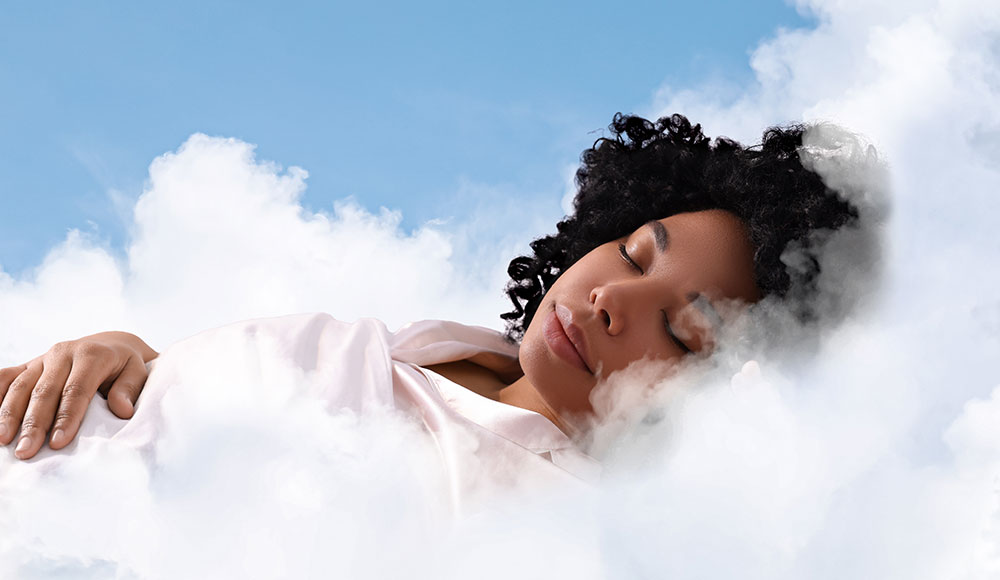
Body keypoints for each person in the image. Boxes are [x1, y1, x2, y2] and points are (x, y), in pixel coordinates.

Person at [0, 113, 872, 472]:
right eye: (637, 254)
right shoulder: (420, 347)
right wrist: (136, 360)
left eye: (685, 334)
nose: (611, 300)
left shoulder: (541, 524)